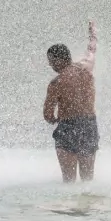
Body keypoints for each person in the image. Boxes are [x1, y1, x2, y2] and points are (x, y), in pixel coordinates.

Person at [43, 21, 99, 182]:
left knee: (69, 181)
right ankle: (88, 206)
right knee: (88, 180)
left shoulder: (56, 83)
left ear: (58, 61)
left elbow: (47, 114)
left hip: (68, 128)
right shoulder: (86, 67)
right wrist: (93, 34)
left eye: (51, 61)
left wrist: (53, 119)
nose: (50, 65)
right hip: (89, 126)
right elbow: (92, 49)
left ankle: (70, 207)